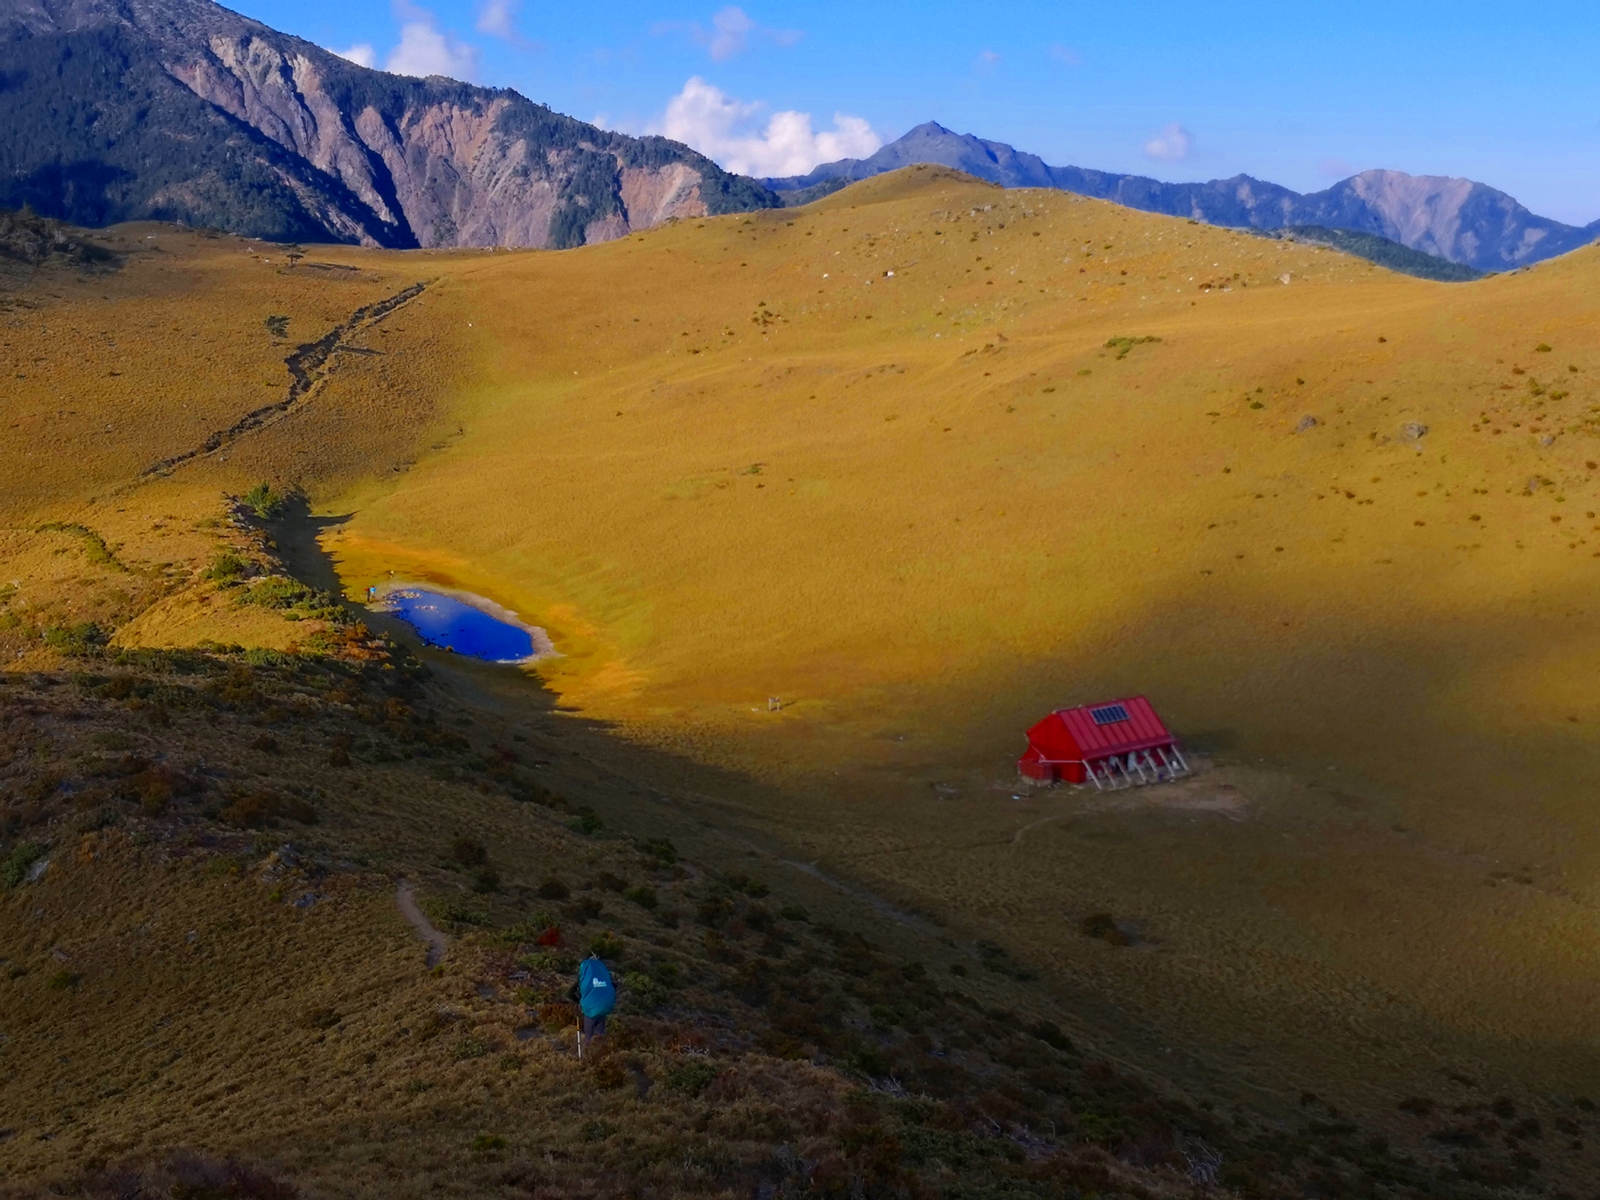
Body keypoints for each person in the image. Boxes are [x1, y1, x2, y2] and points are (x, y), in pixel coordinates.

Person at [576, 953, 615, 1053]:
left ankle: (588, 1053)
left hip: (591, 1009)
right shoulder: (601, 972)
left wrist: (579, 1000)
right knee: (600, 1032)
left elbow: (573, 992)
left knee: (589, 1033)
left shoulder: (586, 976)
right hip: (605, 1006)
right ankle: (600, 1052)